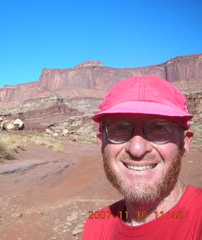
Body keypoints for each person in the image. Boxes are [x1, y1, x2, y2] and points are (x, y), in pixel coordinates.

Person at [83, 75, 202, 240]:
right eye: (120, 128)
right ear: (102, 142)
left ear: (185, 143)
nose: (137, 149)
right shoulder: (95, 227)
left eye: (159, 127)